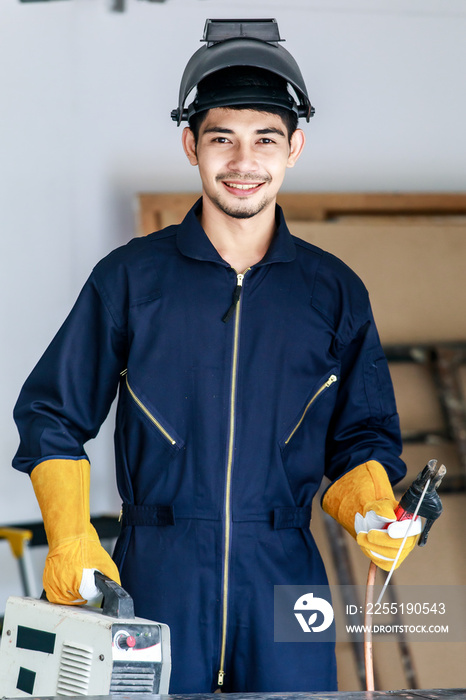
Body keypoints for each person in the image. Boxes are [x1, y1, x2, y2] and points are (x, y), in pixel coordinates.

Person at [13, 19, 420, 693]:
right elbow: (51, 411)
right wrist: (70, 533)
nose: (243, 161)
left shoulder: (332, 291)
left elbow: (362, 434)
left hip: (286, 573)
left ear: (295, 148)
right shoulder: (131, 280)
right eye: (221, 139)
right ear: (190, 147)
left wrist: (374, 508)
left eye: (265, 139)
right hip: (158, 569)